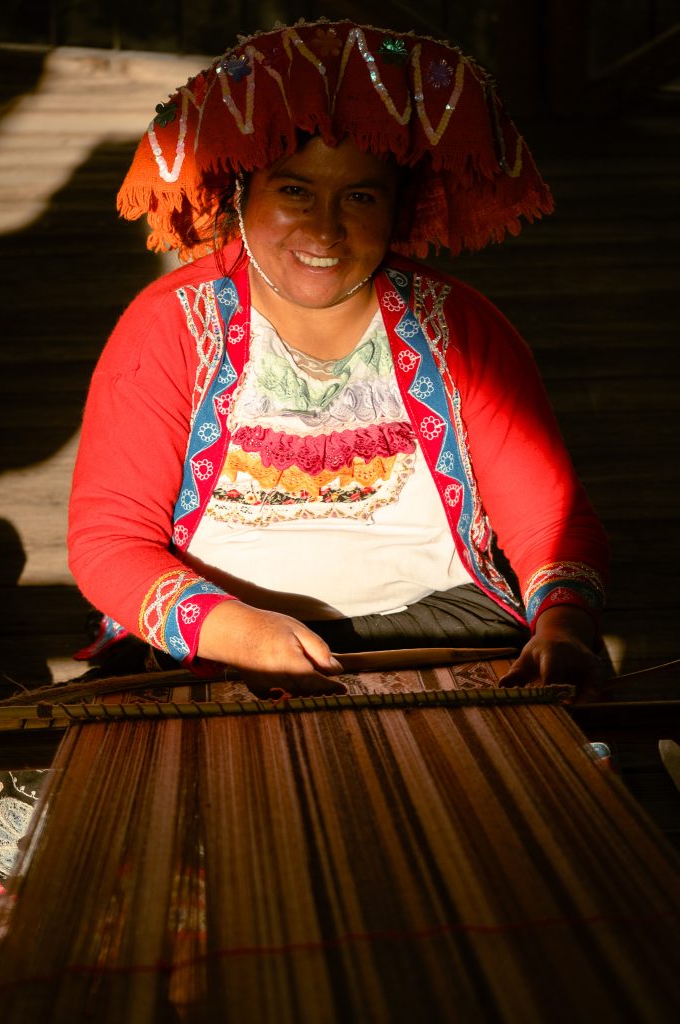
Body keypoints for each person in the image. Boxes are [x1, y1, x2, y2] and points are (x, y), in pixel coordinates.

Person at [68, 20, 608, 698]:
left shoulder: (458, 326)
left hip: (440, 626)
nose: (325, 229)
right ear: (241, 195)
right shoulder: (172, 325)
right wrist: (233, 631)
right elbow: (109, 539)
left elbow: (549, 521)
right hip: (217, 634)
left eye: (359, 196)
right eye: (294, 191)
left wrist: (562, 625)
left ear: (398, 209)